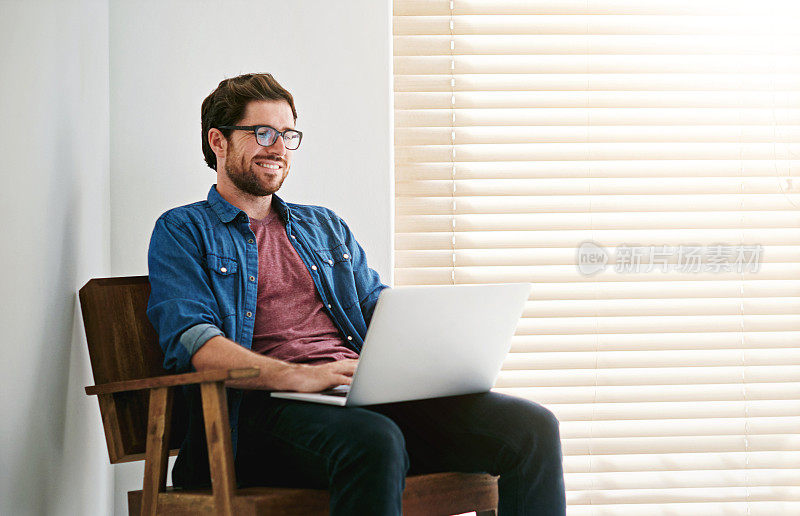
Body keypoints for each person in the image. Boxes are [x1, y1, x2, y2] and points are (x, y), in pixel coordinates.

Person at [146, 72, 565, 515]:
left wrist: (439, 357)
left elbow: (379, 308)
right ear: (218, 141)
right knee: (375, 440)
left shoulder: (323, 226)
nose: (278, 148)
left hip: (354, 400)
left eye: (288, 135)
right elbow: (195, 343)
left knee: (531, 427)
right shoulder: (183, 230)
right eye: (262, 133)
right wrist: (301, 376)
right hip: (255, 418)